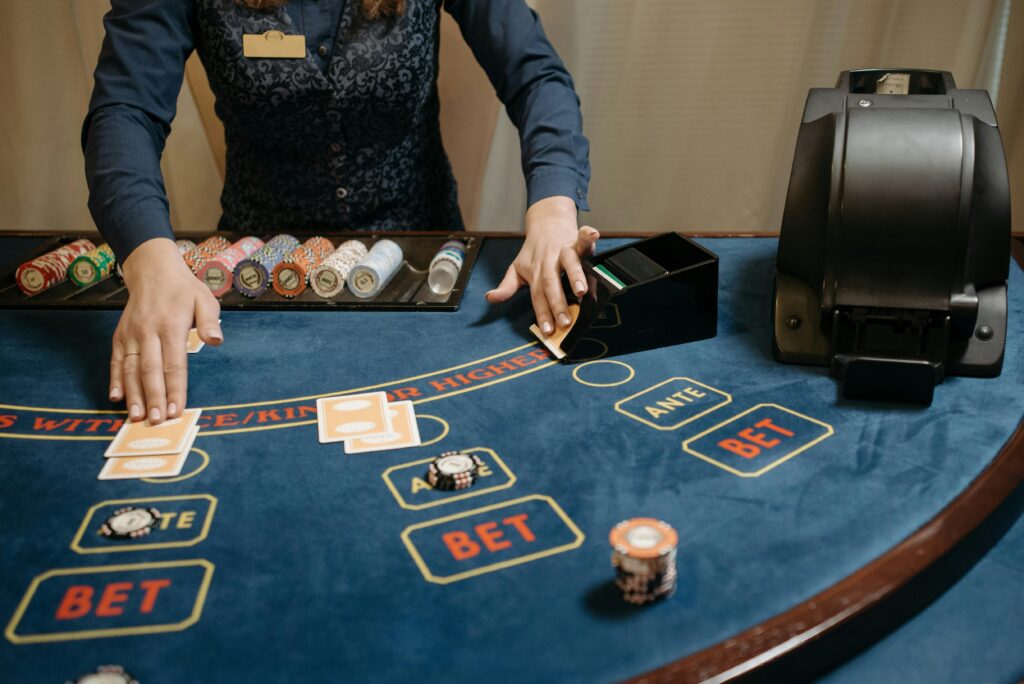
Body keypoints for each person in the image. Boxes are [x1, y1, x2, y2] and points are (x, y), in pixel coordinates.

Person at [84, 0, 598, 426]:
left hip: (424, 276)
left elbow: (534, 74)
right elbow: (125, 110)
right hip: (259, 287)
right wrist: (147, 262)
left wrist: (553, 210)